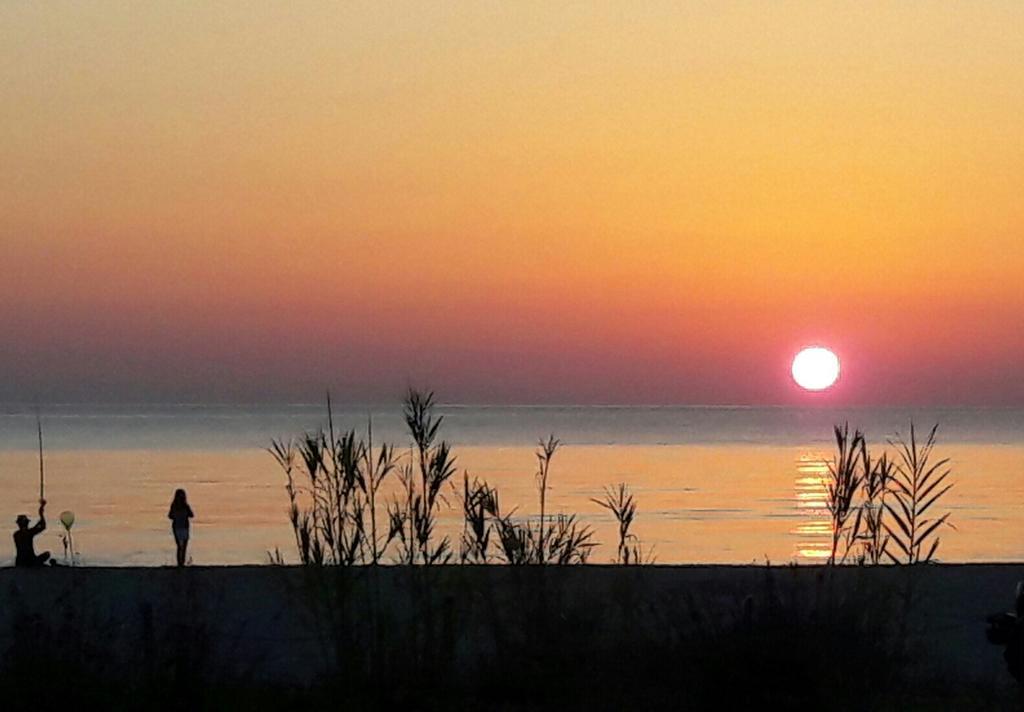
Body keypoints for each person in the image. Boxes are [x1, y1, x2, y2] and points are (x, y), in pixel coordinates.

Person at [14, 499, 51, 567]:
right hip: (29, 561)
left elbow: (40, 527)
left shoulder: (17, 534)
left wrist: (41, 515)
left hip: (21, 561)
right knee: (47, 554)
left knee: (46, 554)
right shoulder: (24, 533)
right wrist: (41, 514)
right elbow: (42, 526)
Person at [168, 489, 194, 567]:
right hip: (178, 527)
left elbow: (191, 515)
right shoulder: (176, 506)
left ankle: (181, 562)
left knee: (183, 546)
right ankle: (180, 563)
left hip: (183, 527)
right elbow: (170, 516)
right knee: (180, 546)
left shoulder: (185, 506)